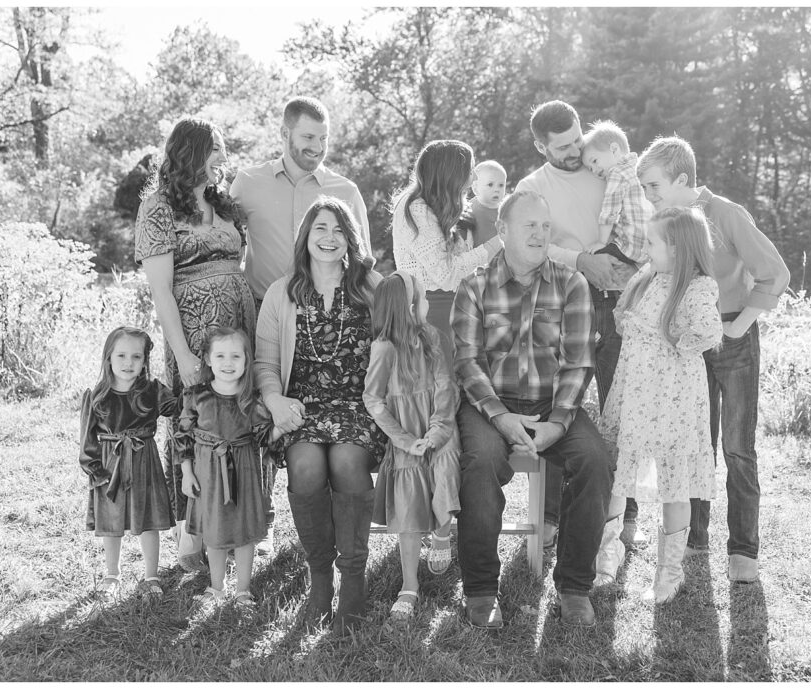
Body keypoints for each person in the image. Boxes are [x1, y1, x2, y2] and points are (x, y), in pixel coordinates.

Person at [452, 190, 614, 629]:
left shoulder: (571, 283)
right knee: (481, 461)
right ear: (502, 231)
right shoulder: (474, 286)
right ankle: (482, 590)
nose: (541, 234)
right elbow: (467, 363)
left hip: (551, 402)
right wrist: (501, 418)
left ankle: (575, 588)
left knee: (595, 461)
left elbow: (579, 361)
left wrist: (559, 423)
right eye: (530, 225)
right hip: (490, 405)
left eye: (546, 226)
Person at [637, 135, 791, 583]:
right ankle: (692, 539)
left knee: (736, 447)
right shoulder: (668, 222)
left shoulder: (726, 214)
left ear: (682, 180)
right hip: (688, 344)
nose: (648, 197)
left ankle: (743, 550)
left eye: (653, 186)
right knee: (692, 445)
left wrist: (738, 327)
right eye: (644, 188)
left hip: (733, 336)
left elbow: (774, 272)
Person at [231, 96, 374, 557]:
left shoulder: (344, 190)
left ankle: (337, 537)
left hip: (333, 308)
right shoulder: (248, 183)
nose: (317, 146)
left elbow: (361, 257)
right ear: (286, 134)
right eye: (308, 137)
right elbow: (226, 246)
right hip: (264, 307)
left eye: (324, 138)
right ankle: (267, 520)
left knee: (325, 439)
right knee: (268, 408)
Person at [514, 101, 650, 555]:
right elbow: (530, 244)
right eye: (564, 145)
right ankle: (550, 516)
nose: (576, 150)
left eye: (577, 139)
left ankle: (625, 517)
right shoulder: (533, 186)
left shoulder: (604, 168)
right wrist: (584, 262)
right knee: (557, 406)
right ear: (540, 146)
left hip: (624, 297)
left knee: (623, 406)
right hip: (567, 302)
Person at [254, 196, 385, 634]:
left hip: (361, 407)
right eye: (320, 229)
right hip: (301, 407)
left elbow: (397, 354)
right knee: (307, 465)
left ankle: (353, 579)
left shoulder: (372, 288)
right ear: (305, 237)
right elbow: (266, 364)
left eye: (338, 230)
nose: (329, 238)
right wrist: (275, 402)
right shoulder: (282, 292)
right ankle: (320, 578)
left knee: (347, 461)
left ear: (350, 238)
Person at [135, 117, 258, 572]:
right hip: (192, 331)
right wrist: (184, 354)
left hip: (238, 326)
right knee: (197, 422)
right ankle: (193, 535)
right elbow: (161, 291)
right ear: (190, 152)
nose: (222, 160)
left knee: (238, 421)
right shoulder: (159, 208)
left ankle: (237, 527)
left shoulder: (223, 204)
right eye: (215, 150)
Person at [595, 208, 722, 603]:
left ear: (678, 247)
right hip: (634, 391)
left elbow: (706, 333)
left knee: (674, 483)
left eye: (652, 242)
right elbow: (622, 319)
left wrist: (665, 335)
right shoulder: (645, 277)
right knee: (619, 471)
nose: (645, 248)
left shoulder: (698, 288)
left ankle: (669, 572)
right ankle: (606, 554)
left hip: (673, 398)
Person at [363, 271, 460, 626]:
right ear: (408, 306)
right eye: (421, 296)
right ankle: (409, 585)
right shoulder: (384, 349)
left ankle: (442, 531)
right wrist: (405, 440)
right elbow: (373, 400)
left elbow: (446, 387)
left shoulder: (432, 337)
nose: (428, 302)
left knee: (446, 462)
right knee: (408, 497)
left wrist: (436, 432)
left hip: (440, 425)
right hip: (405, 434)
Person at [177, 327, 277, 608]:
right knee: (215, 531)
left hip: (244, 471)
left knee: (244, 532)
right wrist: (186, 472)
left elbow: (264, 436)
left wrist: (282, 425)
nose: (228, 362)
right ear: (208, 359)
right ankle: (216, 587)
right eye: (220, 355)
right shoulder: (197, 396)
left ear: (247, 361)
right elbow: (182, 435)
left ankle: (243, 590)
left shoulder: (252, 399)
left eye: (236, 355)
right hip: (207, 472)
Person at [79, 327, 177, 601]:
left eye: (136, 356)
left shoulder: (152, 392)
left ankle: (151, 576)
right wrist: (95, 471)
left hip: (144, 461)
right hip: (111, 466)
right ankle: (112, 574)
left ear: (145, 361)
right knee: (112, 523)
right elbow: (87, 439)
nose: (128, 362)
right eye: (121, 355)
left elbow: (180, 407)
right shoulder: (98, 395)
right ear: (108, 357)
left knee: (147, 521)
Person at [391, 140, 504, 368]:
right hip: (430, 309)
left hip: (451, 305)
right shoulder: (416, 209)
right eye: (469, 170)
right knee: (443, 388)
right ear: (451, 173)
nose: (473, 177)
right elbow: (446, 273)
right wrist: (498, 242)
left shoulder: (437, 206)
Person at [580, 120, 653, 260]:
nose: (594, 171)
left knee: (593, 259)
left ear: (614, 149)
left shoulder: (616, 174)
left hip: (631, 247)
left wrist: (601, 242)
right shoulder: (639, 169)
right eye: (590, 169)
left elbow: (610, 211)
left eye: (594, 161)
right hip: (652, 246)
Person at [462, 160, 508, 246]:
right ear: (475, 188)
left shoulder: (506, 211)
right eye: (490, 184)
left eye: (501, 185)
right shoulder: (468, 209)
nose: (497, 189)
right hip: (477, 255)